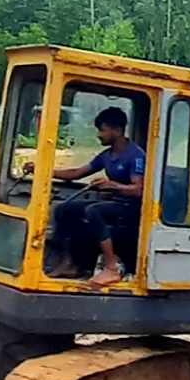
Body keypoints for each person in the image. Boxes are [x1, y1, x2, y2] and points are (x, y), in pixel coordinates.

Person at [48, 106, 145, 286]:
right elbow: (77, 172)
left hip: (130, 207)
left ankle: (111, 267)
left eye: (102, 130)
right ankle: (70, 263)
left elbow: (138, 189)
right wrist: (44, 171)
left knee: (93, 211)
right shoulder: (106, 156)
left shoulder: (135, 155)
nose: (99, 135)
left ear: (116, 130)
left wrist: (112, 186)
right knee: (64, 209)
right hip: (114, 203)